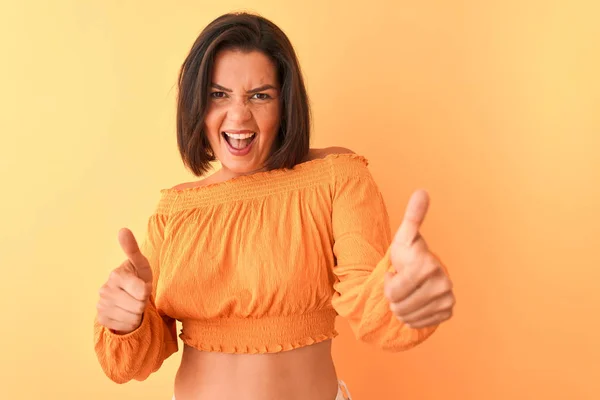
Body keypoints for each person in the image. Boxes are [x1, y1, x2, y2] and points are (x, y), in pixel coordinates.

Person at [93, 12, 455, 400]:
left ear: (285, 105)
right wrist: (124, 322)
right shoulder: (176, 211)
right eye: (219, 94)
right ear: (198, 105)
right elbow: (130, 365)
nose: (238, 114)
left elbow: (373, 304)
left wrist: (404, 292)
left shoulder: (335, 178)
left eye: (260, 95)